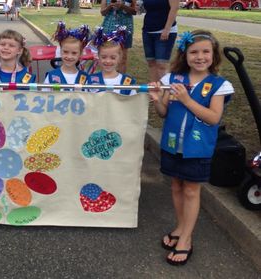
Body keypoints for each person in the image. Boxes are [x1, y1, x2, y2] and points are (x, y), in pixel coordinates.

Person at [149, 30, 234, 265]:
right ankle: (180, 227)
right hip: (172, 145)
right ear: (185, 54)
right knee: (176, 186)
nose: (199, 57)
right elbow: (164, 113)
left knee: (191, 190)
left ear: (213, 55)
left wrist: (187, 100)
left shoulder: (219, 85)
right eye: (194, 52)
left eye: (205, 51)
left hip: (197, 149)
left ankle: (186, 238)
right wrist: (158, 99)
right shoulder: (172, 79)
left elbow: (213, 118)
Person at [87, 26, 136, 95]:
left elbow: (133, 103)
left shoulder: (127, 82)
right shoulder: (90, 80)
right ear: (98, 56)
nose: (108, 61)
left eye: (113, 58)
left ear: (119, 58)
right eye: (104, 57)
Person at [43, 22, 90, 90]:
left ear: (80, 54)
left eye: (74, 53)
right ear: (60, 51)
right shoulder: (51, 76)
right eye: (65, 52)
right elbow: (44, 97)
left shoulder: (85, 78)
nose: (69, 56)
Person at [142, 0, 179, 82]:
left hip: (165, 31)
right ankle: (154, 88)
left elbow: (174, 8)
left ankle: (165, 90)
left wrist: (167, 29)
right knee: (151, 62)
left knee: (162, 64)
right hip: (148, 30)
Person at [99, 0, 136, 73]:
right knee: (107, 55)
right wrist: (110, 6)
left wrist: (123, 6)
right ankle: (107, 78)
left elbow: (134, 11)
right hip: (109, 29)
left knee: (123, 57)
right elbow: (102, 12)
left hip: (125, 29)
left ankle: (121, 81)